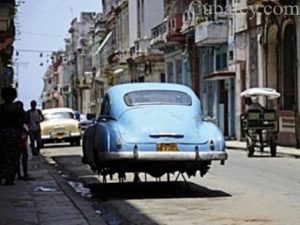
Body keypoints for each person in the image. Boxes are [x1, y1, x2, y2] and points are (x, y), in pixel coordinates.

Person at [0, 86, 26, 185]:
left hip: (2, 134)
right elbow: (24, 119)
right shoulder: (17, 108)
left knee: (3, 156)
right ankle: (10, 177)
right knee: (13, 156)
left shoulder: (1, 108)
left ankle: (3, 174)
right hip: (14, 134)